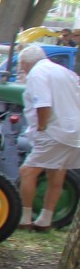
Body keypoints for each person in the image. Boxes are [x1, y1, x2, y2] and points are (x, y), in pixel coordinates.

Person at [17, 45, 80, 231]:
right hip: (73, 129)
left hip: (55, 130)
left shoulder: (37, 74)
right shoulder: (64, 72)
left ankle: (24, 217)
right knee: (57, 171)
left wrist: (42, 127)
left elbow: (43, 103)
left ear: (25, 63)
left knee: (28, 172)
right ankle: (45, 219)